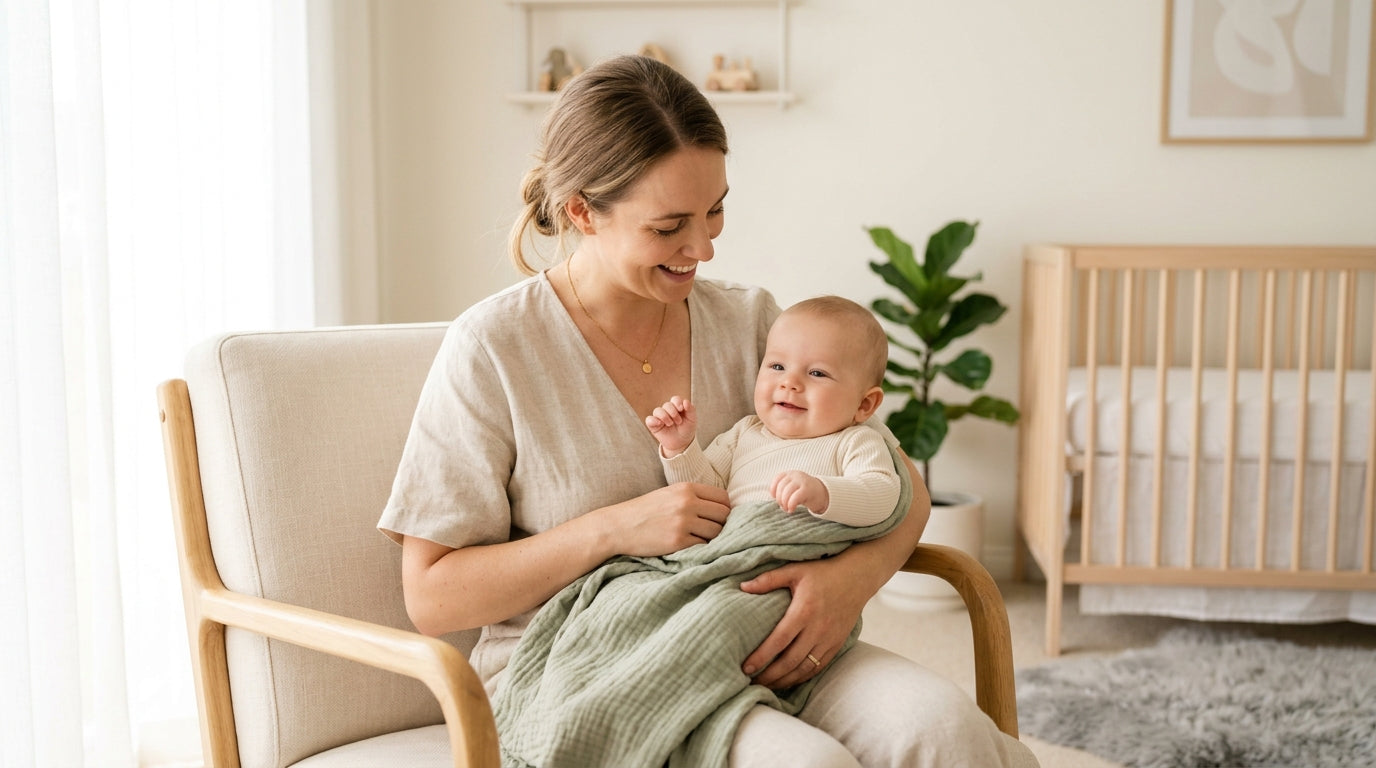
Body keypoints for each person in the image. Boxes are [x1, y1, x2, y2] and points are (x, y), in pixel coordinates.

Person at [379, 54, 1035, 767]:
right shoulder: (495, 349)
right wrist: (613, 530)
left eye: (716, 208)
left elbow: (899, 481)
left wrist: (849, 584)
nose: (705, 246)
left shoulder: (752, 322)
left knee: (947, 732)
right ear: (581, 212)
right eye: (669, 227)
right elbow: (433, 596)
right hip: (594, 668)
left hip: (768, 635)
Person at [647, 295, 899, 526]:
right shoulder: (744, 434)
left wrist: (823, 493)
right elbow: (705, 495)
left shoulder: (855, 442)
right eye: (778, 366)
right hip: (735, 552)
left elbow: (883, 494)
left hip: (802, 552)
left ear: (864, 405)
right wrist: (680, 448)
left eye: (817, 373)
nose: (789, 382)